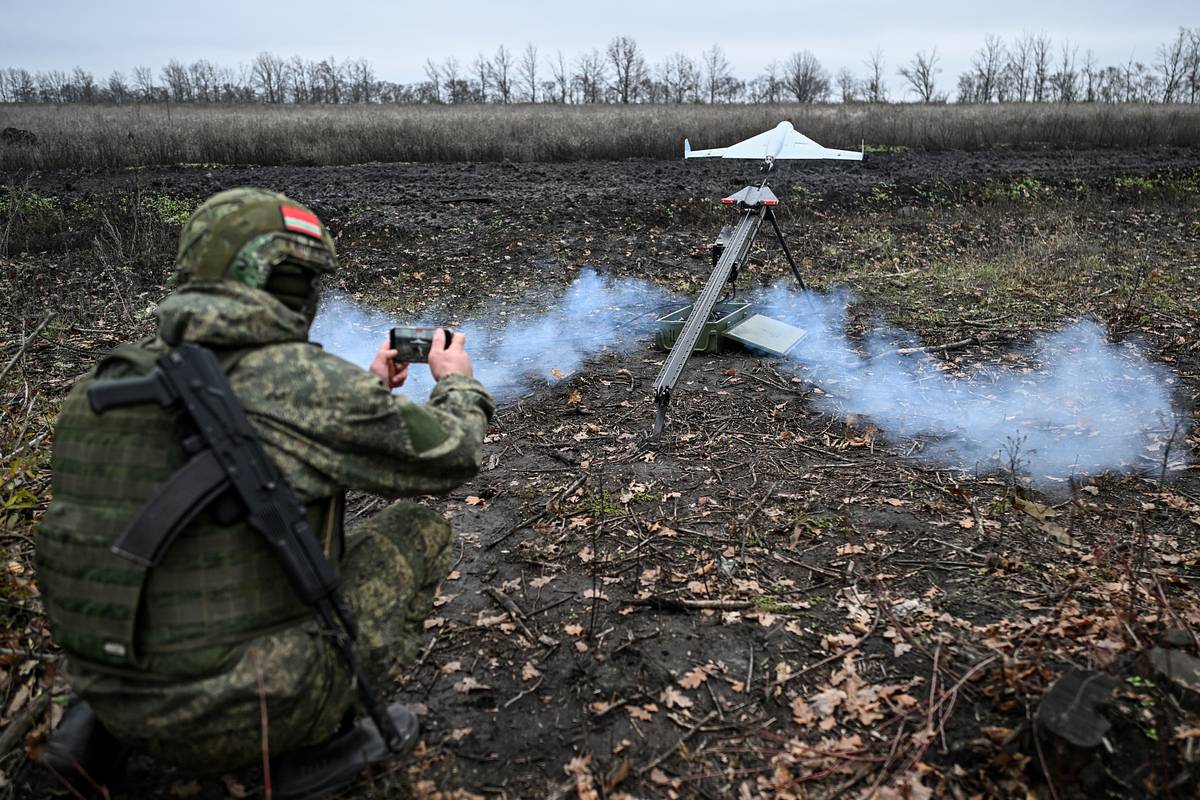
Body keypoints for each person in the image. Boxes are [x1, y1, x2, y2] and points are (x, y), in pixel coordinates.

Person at [35, 188, 494, 798]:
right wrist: (458, 384)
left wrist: (364, 390)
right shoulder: (299, 384)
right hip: (235, 715)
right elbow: (455, 454)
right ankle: (317, 742)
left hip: (108, 690)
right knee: (418, 529)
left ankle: (92, 737)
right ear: (291, 282)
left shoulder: (104, 384)